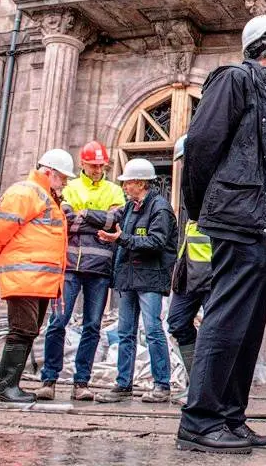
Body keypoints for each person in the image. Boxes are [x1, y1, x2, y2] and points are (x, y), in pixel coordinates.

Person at [176, 14, 266, 454]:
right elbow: (202, 147)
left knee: (248, 326)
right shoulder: (234, 80)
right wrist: (204, 210)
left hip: (265, 221)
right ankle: (200, 421)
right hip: (238, 219)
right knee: (226, 318)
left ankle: (229, 417)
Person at [35, 140, 125, 402]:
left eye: (101, 165)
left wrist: (84, 214)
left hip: (99, 268)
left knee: (92, 326)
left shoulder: (114, 190)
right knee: (58, 323)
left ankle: (81, 382)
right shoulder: (70, 187)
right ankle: (49, 379)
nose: (98, 169)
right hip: (71, 266)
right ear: (83, 163)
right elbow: (67, 220)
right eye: (93, 165)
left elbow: (114, 220)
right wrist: (96, 218)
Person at [0, 149, 75, 402]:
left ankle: (10, 385)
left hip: (38, 278)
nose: (64, 183)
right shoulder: (26, 192)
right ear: (49, 173)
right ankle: (6, 387)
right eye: (62, 177)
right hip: (25, 274)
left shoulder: (43, 196)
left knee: (28, 330)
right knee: (22, 330)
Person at [94, 158, 178, 404]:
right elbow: (110, 219)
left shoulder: (160, 209)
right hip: (129, 278)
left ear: (140, 183)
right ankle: (123, 384)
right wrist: (82, 215)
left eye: (128, 182)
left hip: (150, 278)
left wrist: (121, 239)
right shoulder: (130, 207)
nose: (125, 187)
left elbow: (156, 242)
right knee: (125, 332)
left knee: (153, 331)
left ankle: (161, 385)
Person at [166, 134, 213, 406]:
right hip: (189, 270)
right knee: (177, 321)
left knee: (212, 329)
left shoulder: (214, 182)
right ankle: (196, 382)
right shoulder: (191, 185)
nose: (183, 166)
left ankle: (204, 389)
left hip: (212, 270)